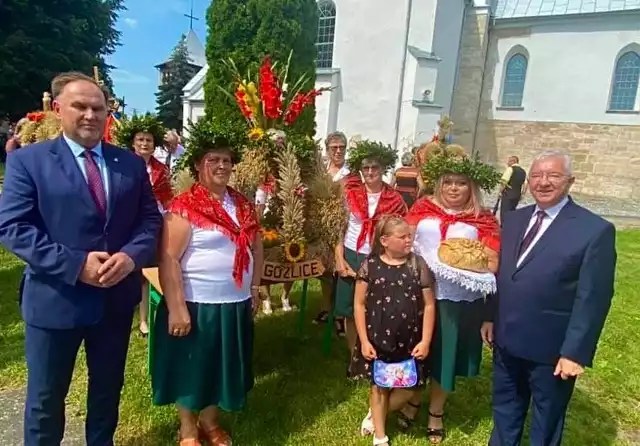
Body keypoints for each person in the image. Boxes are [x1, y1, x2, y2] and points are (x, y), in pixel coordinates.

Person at [0, 71, 162, 446]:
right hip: (55, 301)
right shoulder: (29, 162)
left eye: (98, 108)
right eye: (80, 106)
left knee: (106, 393)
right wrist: (76, 265)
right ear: (58, 110)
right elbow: (14, 228)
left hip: (114, 302)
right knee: (45, 400)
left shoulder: (130, 164)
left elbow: (149, 220)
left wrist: (130, 257)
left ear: (108, 114)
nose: (90, 115)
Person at [481, 150, 616, 446]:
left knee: (547, 419)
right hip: (506, 338)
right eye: (537, 176)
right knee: (505, 410)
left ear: (570, 181)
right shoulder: (515, 219)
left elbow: (594, 298)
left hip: (552, 350)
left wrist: (575, 352)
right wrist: (491, 315)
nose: (543, 182)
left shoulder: (594, 230)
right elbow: (504, 274)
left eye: (553, 175)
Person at [151, 135, 263, 446]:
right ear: (199, 165)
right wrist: (176, 307)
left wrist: (254, 286)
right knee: (190, 366)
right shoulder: (184, 206)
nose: (221, 165)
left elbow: (255, 245)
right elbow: (169, 257)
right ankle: (187, 429)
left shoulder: (243, 204)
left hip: (234, 301)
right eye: (213, 160)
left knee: (219, 365)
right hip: (197, 302)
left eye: (227, 160)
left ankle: (211, 422)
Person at [401, 142, 501, 444]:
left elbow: (492, 262)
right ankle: (414, 397)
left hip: (457, 303)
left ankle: (435, 410)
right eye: (448, 182)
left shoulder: (483, 219)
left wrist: (461, 262)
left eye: (461, 183)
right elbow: (403, 239)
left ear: (471, 187)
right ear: (438, 184)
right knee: (417, 351)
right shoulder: (422, 208)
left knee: (446, 356)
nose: (454, 189)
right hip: (418, 296)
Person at [351, 216, 436, 446]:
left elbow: (429, 305)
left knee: (408, 388)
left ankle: (376, 414)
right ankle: (380, 437)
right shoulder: (370, 266)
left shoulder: (417, 265)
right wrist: (364, 340)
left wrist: (426, 340)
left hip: (410, 340)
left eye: (410, 235)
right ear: (385, 240)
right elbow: (359, 304)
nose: (409, 240)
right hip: (377, 339)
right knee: (378, 386)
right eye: (403, 237)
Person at [335, 141, 407, 357]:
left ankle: (373, 352)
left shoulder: (394, 198)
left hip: (379, 256)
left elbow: (400, 232)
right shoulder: (349, 193)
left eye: (374, 168)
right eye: (365, 168)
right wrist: (339, 258)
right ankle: (353, 356)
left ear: (383, 169)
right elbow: (337, 227)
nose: (369, 172)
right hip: (351, 253)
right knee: (349, 309)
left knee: (375, 309)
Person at [115, 113, 174, 335]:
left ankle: (147, 317)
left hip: (154, 221)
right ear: (133, 142)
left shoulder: (161, 169)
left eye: (148, 140)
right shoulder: (122, 164)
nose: (144, 144)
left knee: (151, 269)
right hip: (128, 221)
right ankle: (127, 311)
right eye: (140, 140)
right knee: (130, 268)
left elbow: (167, 197)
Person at [314, 130, 350, 335]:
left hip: (344, 224)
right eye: (334, 147)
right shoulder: (322, 170)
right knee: (325, 268)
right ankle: (325, 307)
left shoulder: (351, 172)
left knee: (340, 267)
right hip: (323, 224)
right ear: (327, 150)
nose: (338, 151)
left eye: (341, 148)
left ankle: (340, 313)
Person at [497, 155, 526, 224]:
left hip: (508, 194)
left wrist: (500, 192)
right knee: (512, 212)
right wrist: (522, 194)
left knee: (504, 213)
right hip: (517, 195)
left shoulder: (510, 169)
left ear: (513, 161)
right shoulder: (523, 171)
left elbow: (504, 182)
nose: (508, 163)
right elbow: (525, 185)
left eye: (509, 161)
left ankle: (504, 228)